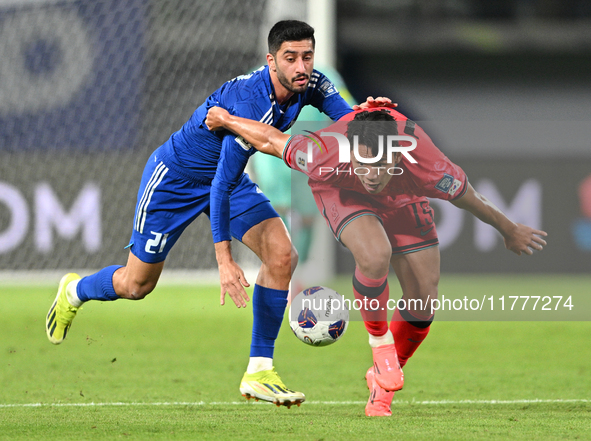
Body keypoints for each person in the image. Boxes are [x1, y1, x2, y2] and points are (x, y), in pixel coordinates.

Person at [45, 19, 389, 408]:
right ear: (271, 61)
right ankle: (74, 291)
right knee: (136, 286)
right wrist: (224, 260)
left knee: (282, 255)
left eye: (306, 57)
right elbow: (219, 186)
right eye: (290, 58)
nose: (300, 67)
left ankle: (259, 371)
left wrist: (368, 125)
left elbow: (346, 120)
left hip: (227, 180)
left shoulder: (311, 84)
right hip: (176, 180)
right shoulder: (249, 105)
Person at [204, 106, 548, 416]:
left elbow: (469, 197)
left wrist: (509, 229)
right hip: (342, 191)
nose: (369, 172)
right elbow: (273, 140)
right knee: (374, 253)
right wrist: (226, 119)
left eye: (379, 165)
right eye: (362, 162)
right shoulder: (326, 153)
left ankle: (380, 385)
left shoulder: (426, 164)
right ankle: (380, 346)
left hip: (403, 196)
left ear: (396, 157)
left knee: (424, 298)